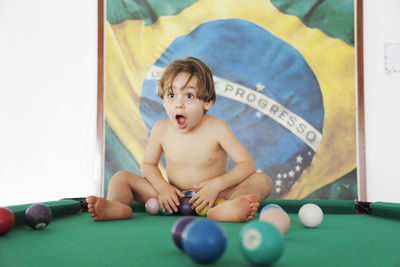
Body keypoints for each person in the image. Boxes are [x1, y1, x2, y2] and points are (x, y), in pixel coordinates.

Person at [87, 57, 273, 222]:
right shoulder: (161, 129)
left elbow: (247, 164)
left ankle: (224, 208)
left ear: (207, 102)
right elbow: (148, 164)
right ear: (163, 99)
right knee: (121, 178)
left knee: (262, 180)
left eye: (189, 96)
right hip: (173, 198)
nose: (179, 103)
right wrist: (162, 188)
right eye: (171, 95)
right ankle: (117, 206)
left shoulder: (217, 128)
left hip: (213, 196)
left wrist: (217, 186)